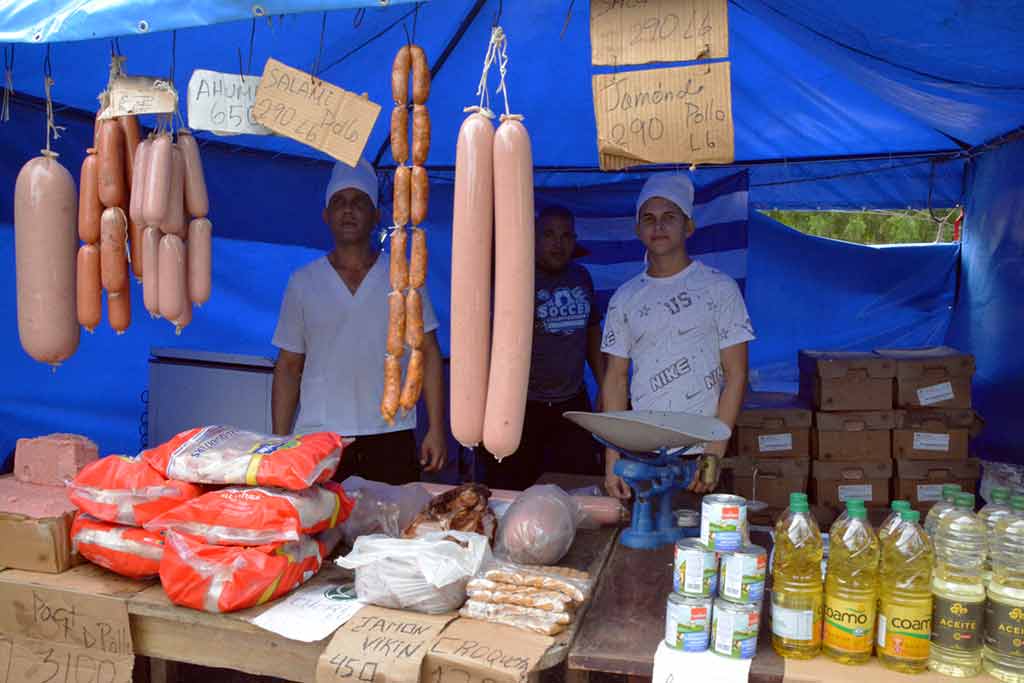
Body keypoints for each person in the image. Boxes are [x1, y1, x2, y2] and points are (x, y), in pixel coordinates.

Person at [271, 159, 447, 485]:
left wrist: (436, 429)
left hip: (391, 434)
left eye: (359, 202)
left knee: (391, 531)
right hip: (321, 437)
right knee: (323, 532)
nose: (348, 210)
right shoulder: (303, 283)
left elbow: (429, 353)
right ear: (326, 216)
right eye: (339, 202)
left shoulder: (404, 278)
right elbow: (288, 366)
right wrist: (280, 442)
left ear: (376, 216)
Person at [600, 174, 755, 499]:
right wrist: (612, 457)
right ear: (637, 230)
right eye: (649, 219)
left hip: (699, 457)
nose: (658, 227)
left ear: (688, 226)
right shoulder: (625, 298)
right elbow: (615, 379)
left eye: (669, 217)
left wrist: (714, 453)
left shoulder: (719, 288)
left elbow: (736, 374)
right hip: (641, 455)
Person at [484, 205, 606, 491]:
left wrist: (603, 384)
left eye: (566, 236)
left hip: (572, 403)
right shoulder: (515, 279)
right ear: (534, 238)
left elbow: (591, 333)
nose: (558, 243)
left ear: (575, 241)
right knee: (517, 488)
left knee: (580, 486)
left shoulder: (581, 277)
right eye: (549, 235)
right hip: (524, 406)